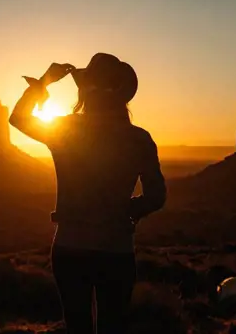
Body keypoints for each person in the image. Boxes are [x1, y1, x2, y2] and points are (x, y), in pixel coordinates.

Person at [9, 53, 166, 334]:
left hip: (70, 246)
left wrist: (43, 83)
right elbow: (157, 196)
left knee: (77, 326)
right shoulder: (139, 139)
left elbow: (18, 118)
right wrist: (128, 211)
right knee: (113, 326)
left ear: (84, 91)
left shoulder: (67, 129)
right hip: (117, 249)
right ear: (123, 96)